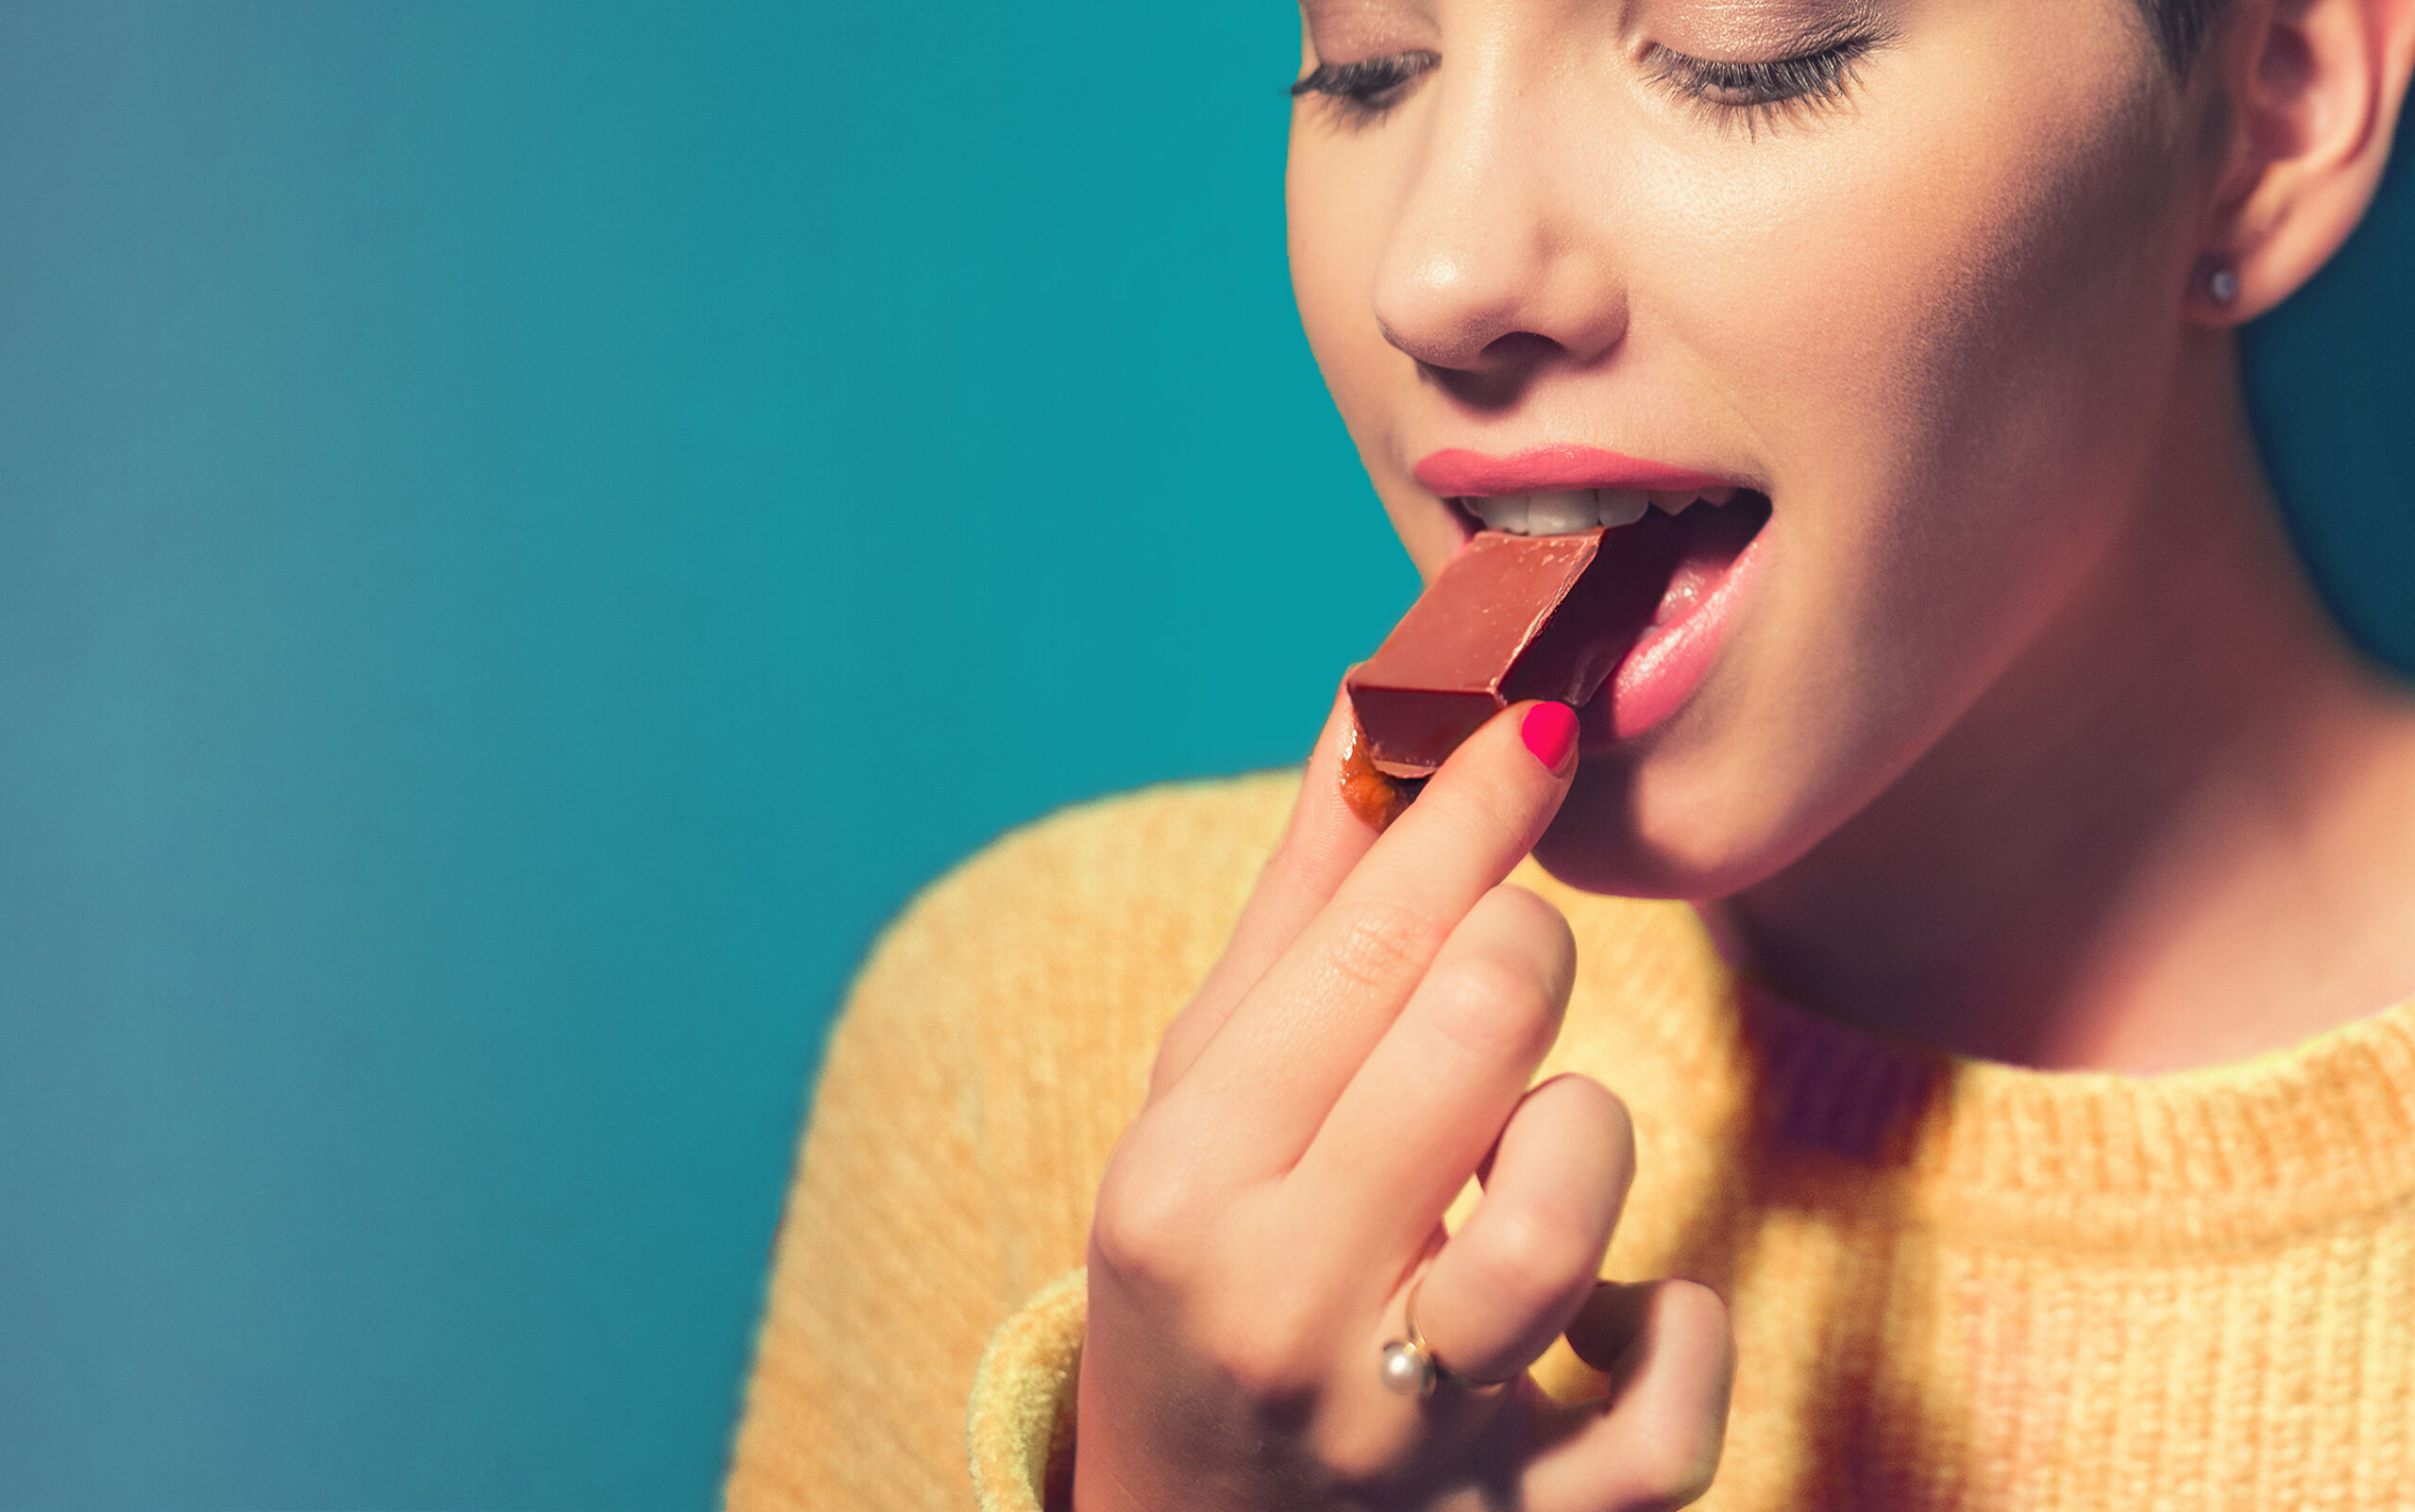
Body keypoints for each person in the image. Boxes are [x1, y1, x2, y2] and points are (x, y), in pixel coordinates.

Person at [726, 0, 2415, 1506]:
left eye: (1737, 54)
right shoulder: (1038, 1045)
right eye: (1370, 68)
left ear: (2271, 108)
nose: (1437, 280)